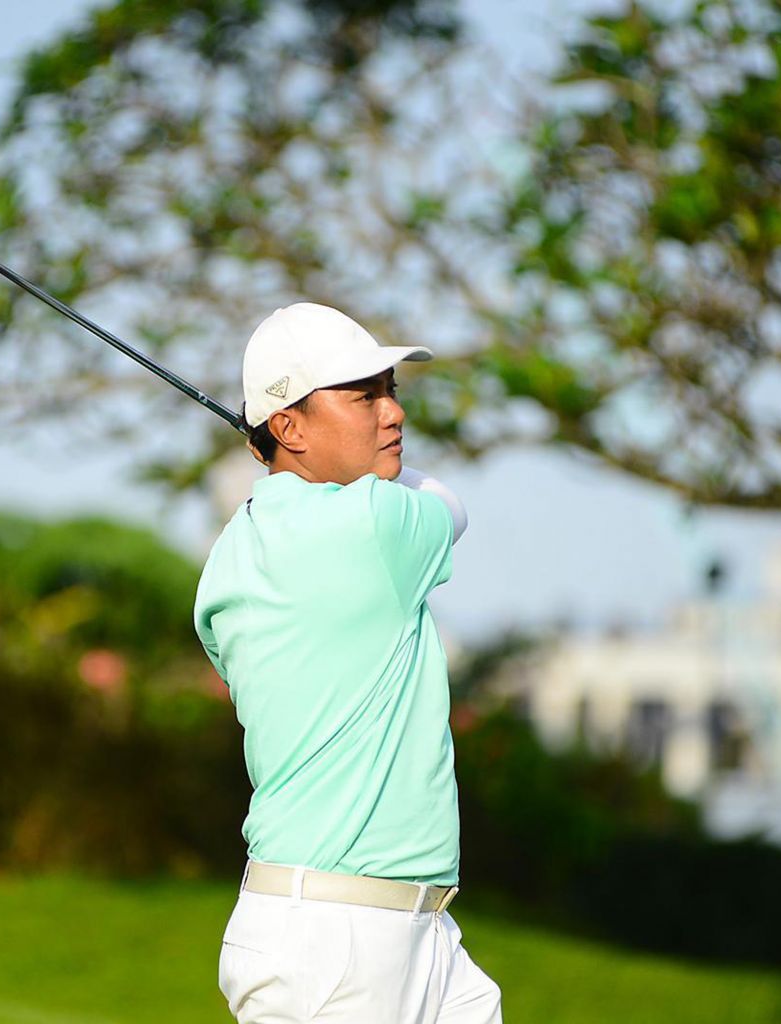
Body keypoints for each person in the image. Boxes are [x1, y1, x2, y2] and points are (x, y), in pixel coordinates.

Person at [194, 302, 503, 1023]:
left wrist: (278, 455)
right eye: (363, 396)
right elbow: (451, 504)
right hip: (334, 946)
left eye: (390, 390)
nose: (393, 413)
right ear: (289, 427)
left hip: (406, 929)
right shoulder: (375, 525)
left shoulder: (228, 557)